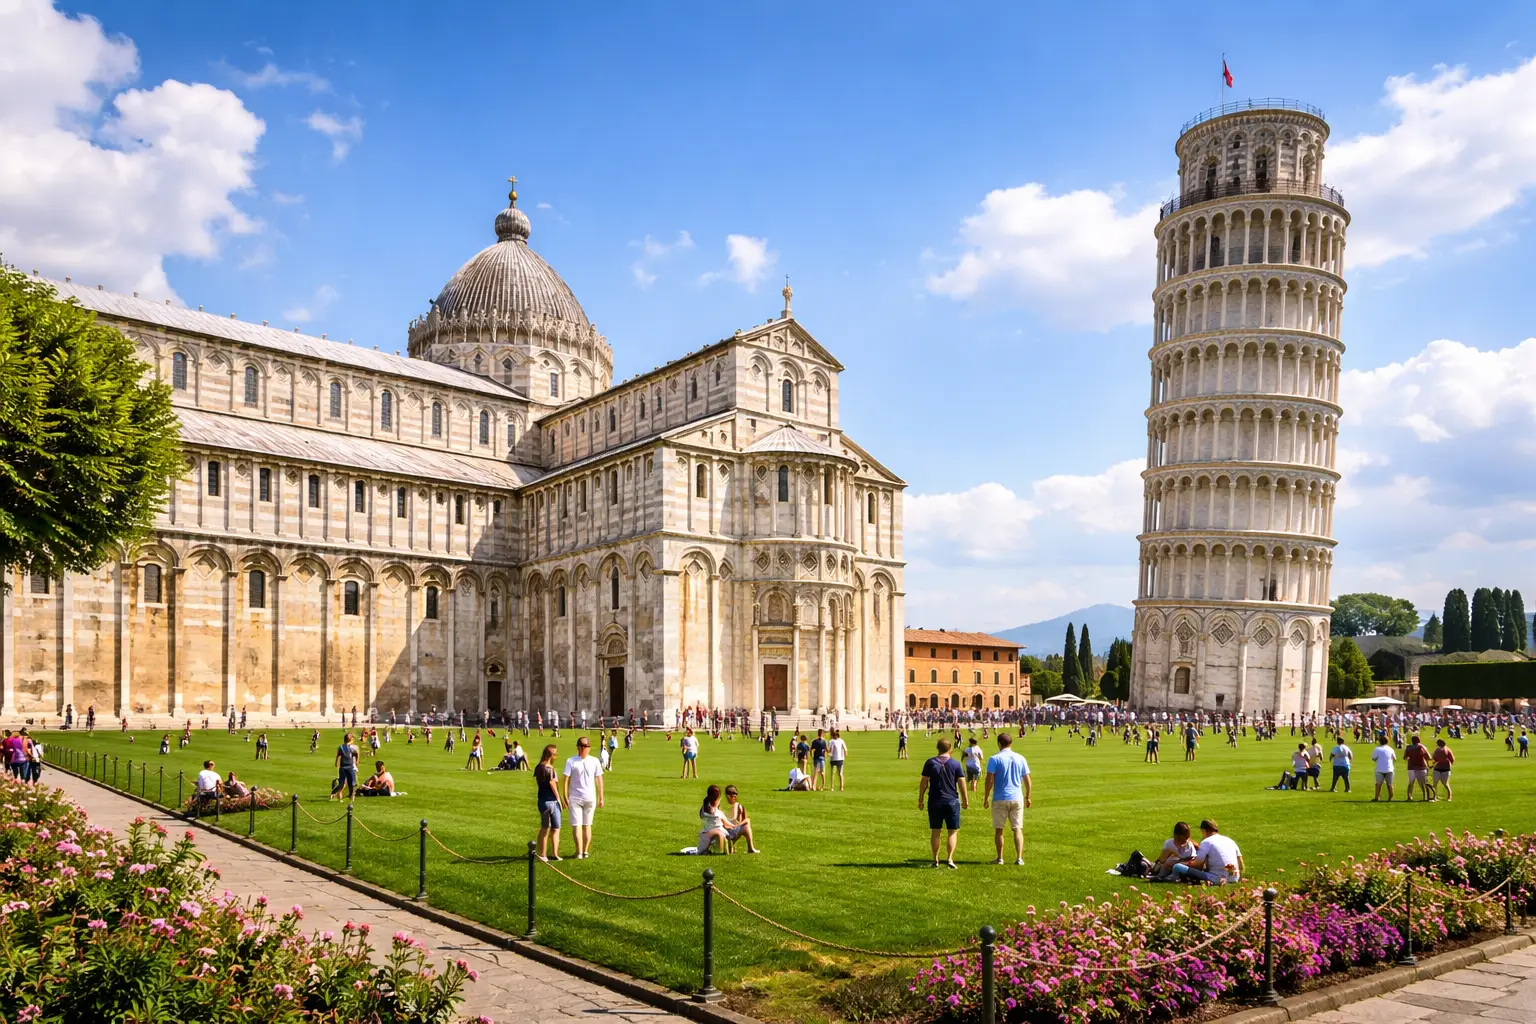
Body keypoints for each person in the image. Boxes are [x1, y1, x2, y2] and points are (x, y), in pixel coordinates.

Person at [918, 738, 968, 869]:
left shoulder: (930, 763)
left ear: (937, 748)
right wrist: (965, 799)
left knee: (935, 832)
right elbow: (962, 783)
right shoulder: (956, 764)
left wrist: (921, 799)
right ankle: (950, 858)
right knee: (952, 832)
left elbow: (923, 782)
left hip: (934, 801)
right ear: (950, 749)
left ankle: (935, 859)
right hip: (951, 800)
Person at [982, 733, 1031, 866]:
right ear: (1011, 743)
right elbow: (1027, 780)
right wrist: (1028, 796)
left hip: (1000, 797)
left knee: (999, 830)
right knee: (1017, 828)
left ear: (999, 743)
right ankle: (1019, 858)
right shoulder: (1020, 758)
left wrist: (986, 796)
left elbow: (989, 779)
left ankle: (1000, 858)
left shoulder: (994, 759)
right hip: (1017, 797)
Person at [562, 736, 605, 859]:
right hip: (576, 798)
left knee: (584, 825)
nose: (587, 749)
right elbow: (565, 780)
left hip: (587, 797)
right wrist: (565, 796)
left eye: (588, 747)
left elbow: (599, 779)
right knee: (580, 825)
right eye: (585, 747)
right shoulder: (571, 761)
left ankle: (583, 851)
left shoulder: (592, 761)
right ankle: (580, 851)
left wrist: (601, 796)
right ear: (580, 747)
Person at [1171, 819, 1243, 885]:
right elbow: (1241, 865)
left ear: (1204, 831)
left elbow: (1197, 864)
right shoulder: (1230, 840)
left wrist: (1182, 863)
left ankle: (1173, 879)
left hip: (1218, 878)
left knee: (1177, 867)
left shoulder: (1206, 842)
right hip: (1235, 878)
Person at [534, 745, 563, 861]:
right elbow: (553, 784)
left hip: (542, 800)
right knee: (554, 828)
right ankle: (548, 854)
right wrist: (559, 799)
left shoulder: (539, 767)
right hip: (551, 801)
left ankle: (543, 853)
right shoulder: (549, 768)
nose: (556, 756)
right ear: (551, 755)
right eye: (555, 754)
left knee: (546, 828)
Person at [722, 784, 761, 853]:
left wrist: (738, 823)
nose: (734, 797)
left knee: (746, 822)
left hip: (726, 831)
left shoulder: (722, 805)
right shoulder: (736, 805)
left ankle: (732, 845)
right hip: (728, 831)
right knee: (747, 822)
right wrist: (738, 824)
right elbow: (738, 820)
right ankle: (750, 848)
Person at [697, 785, 732, 854]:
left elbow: (702, 816)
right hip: (714, 831)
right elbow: (725, 822)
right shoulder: (714, 812)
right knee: (726, 834)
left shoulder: (705, 808)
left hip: (710, 831)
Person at [1403, 734, 1432, 802]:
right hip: (1421, 766)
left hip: (1411, 767)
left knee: (1411, 783)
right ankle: (1426, 797)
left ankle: (1409, 797)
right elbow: (1429, 757)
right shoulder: (1422, 747)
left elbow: (1405, 757)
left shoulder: (1408, 747)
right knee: (1425, 783)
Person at [333, 732, 360, 801]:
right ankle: (351, 796)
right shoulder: (353, 747)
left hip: (344, 766)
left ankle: (342, 796)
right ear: (351, 740)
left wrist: (336, 763)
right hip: (350, 766)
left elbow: (338, 756)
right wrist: (357, 763)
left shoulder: (341, 747)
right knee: (351, 783)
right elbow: (356, 755)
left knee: (344, 783)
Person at [1371, 734, 1396, 802]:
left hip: (1379, 769)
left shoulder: (1377, 749)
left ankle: (1377, 797)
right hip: (1389, 768)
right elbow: (1394, 758)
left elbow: (1373, 758)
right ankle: (1390, 798)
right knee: (1390, 784)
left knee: (1378, 784)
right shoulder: (1391, 749)